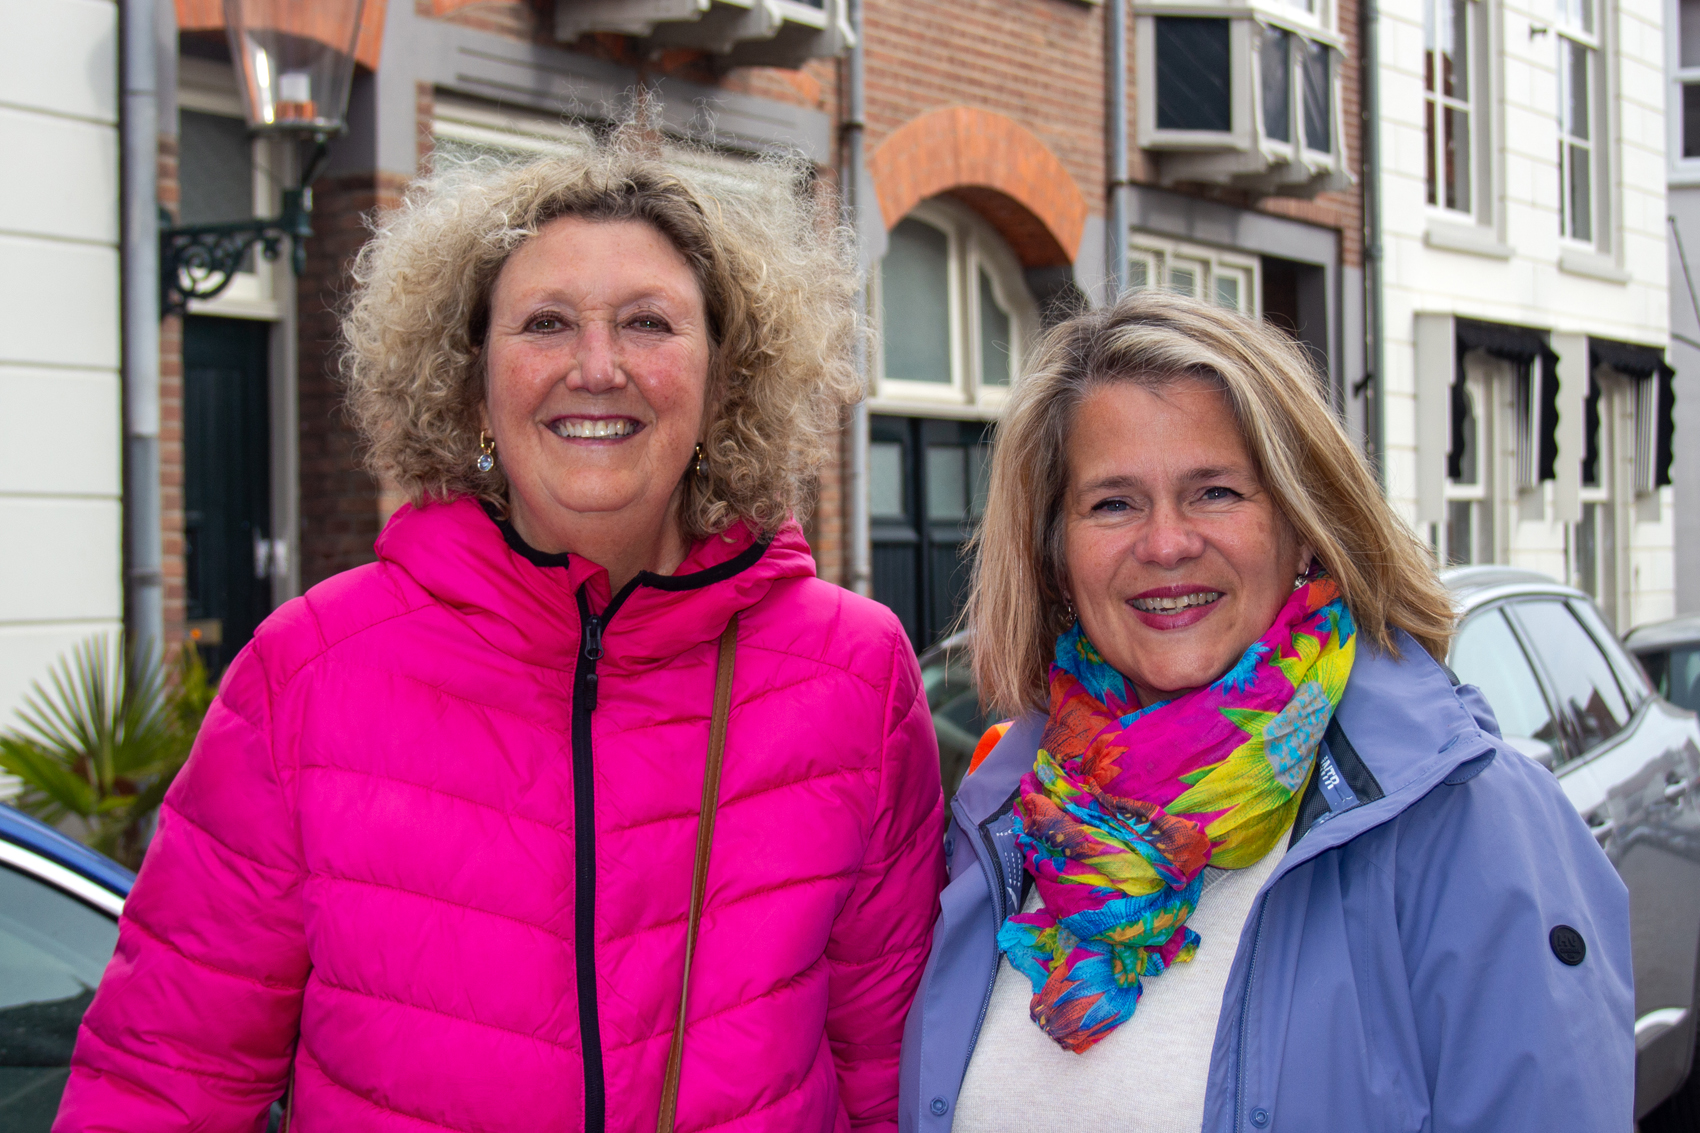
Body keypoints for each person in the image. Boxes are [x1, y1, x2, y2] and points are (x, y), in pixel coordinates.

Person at [56, 137, 945, 1132]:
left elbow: (897, 1082)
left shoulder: (854, 676)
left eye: (647, 322)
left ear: (723, 381)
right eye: (545, 323)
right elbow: (162, 1080)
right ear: (472, 380)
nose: (596, 367)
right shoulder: (306, 672)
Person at [897, 291, 1633, 1132]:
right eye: (1113, 503)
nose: (1166, 543)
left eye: (1215, 491)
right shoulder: (1000, 818)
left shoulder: (1462, 818)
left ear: (1305, 525)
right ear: (1057, 557)